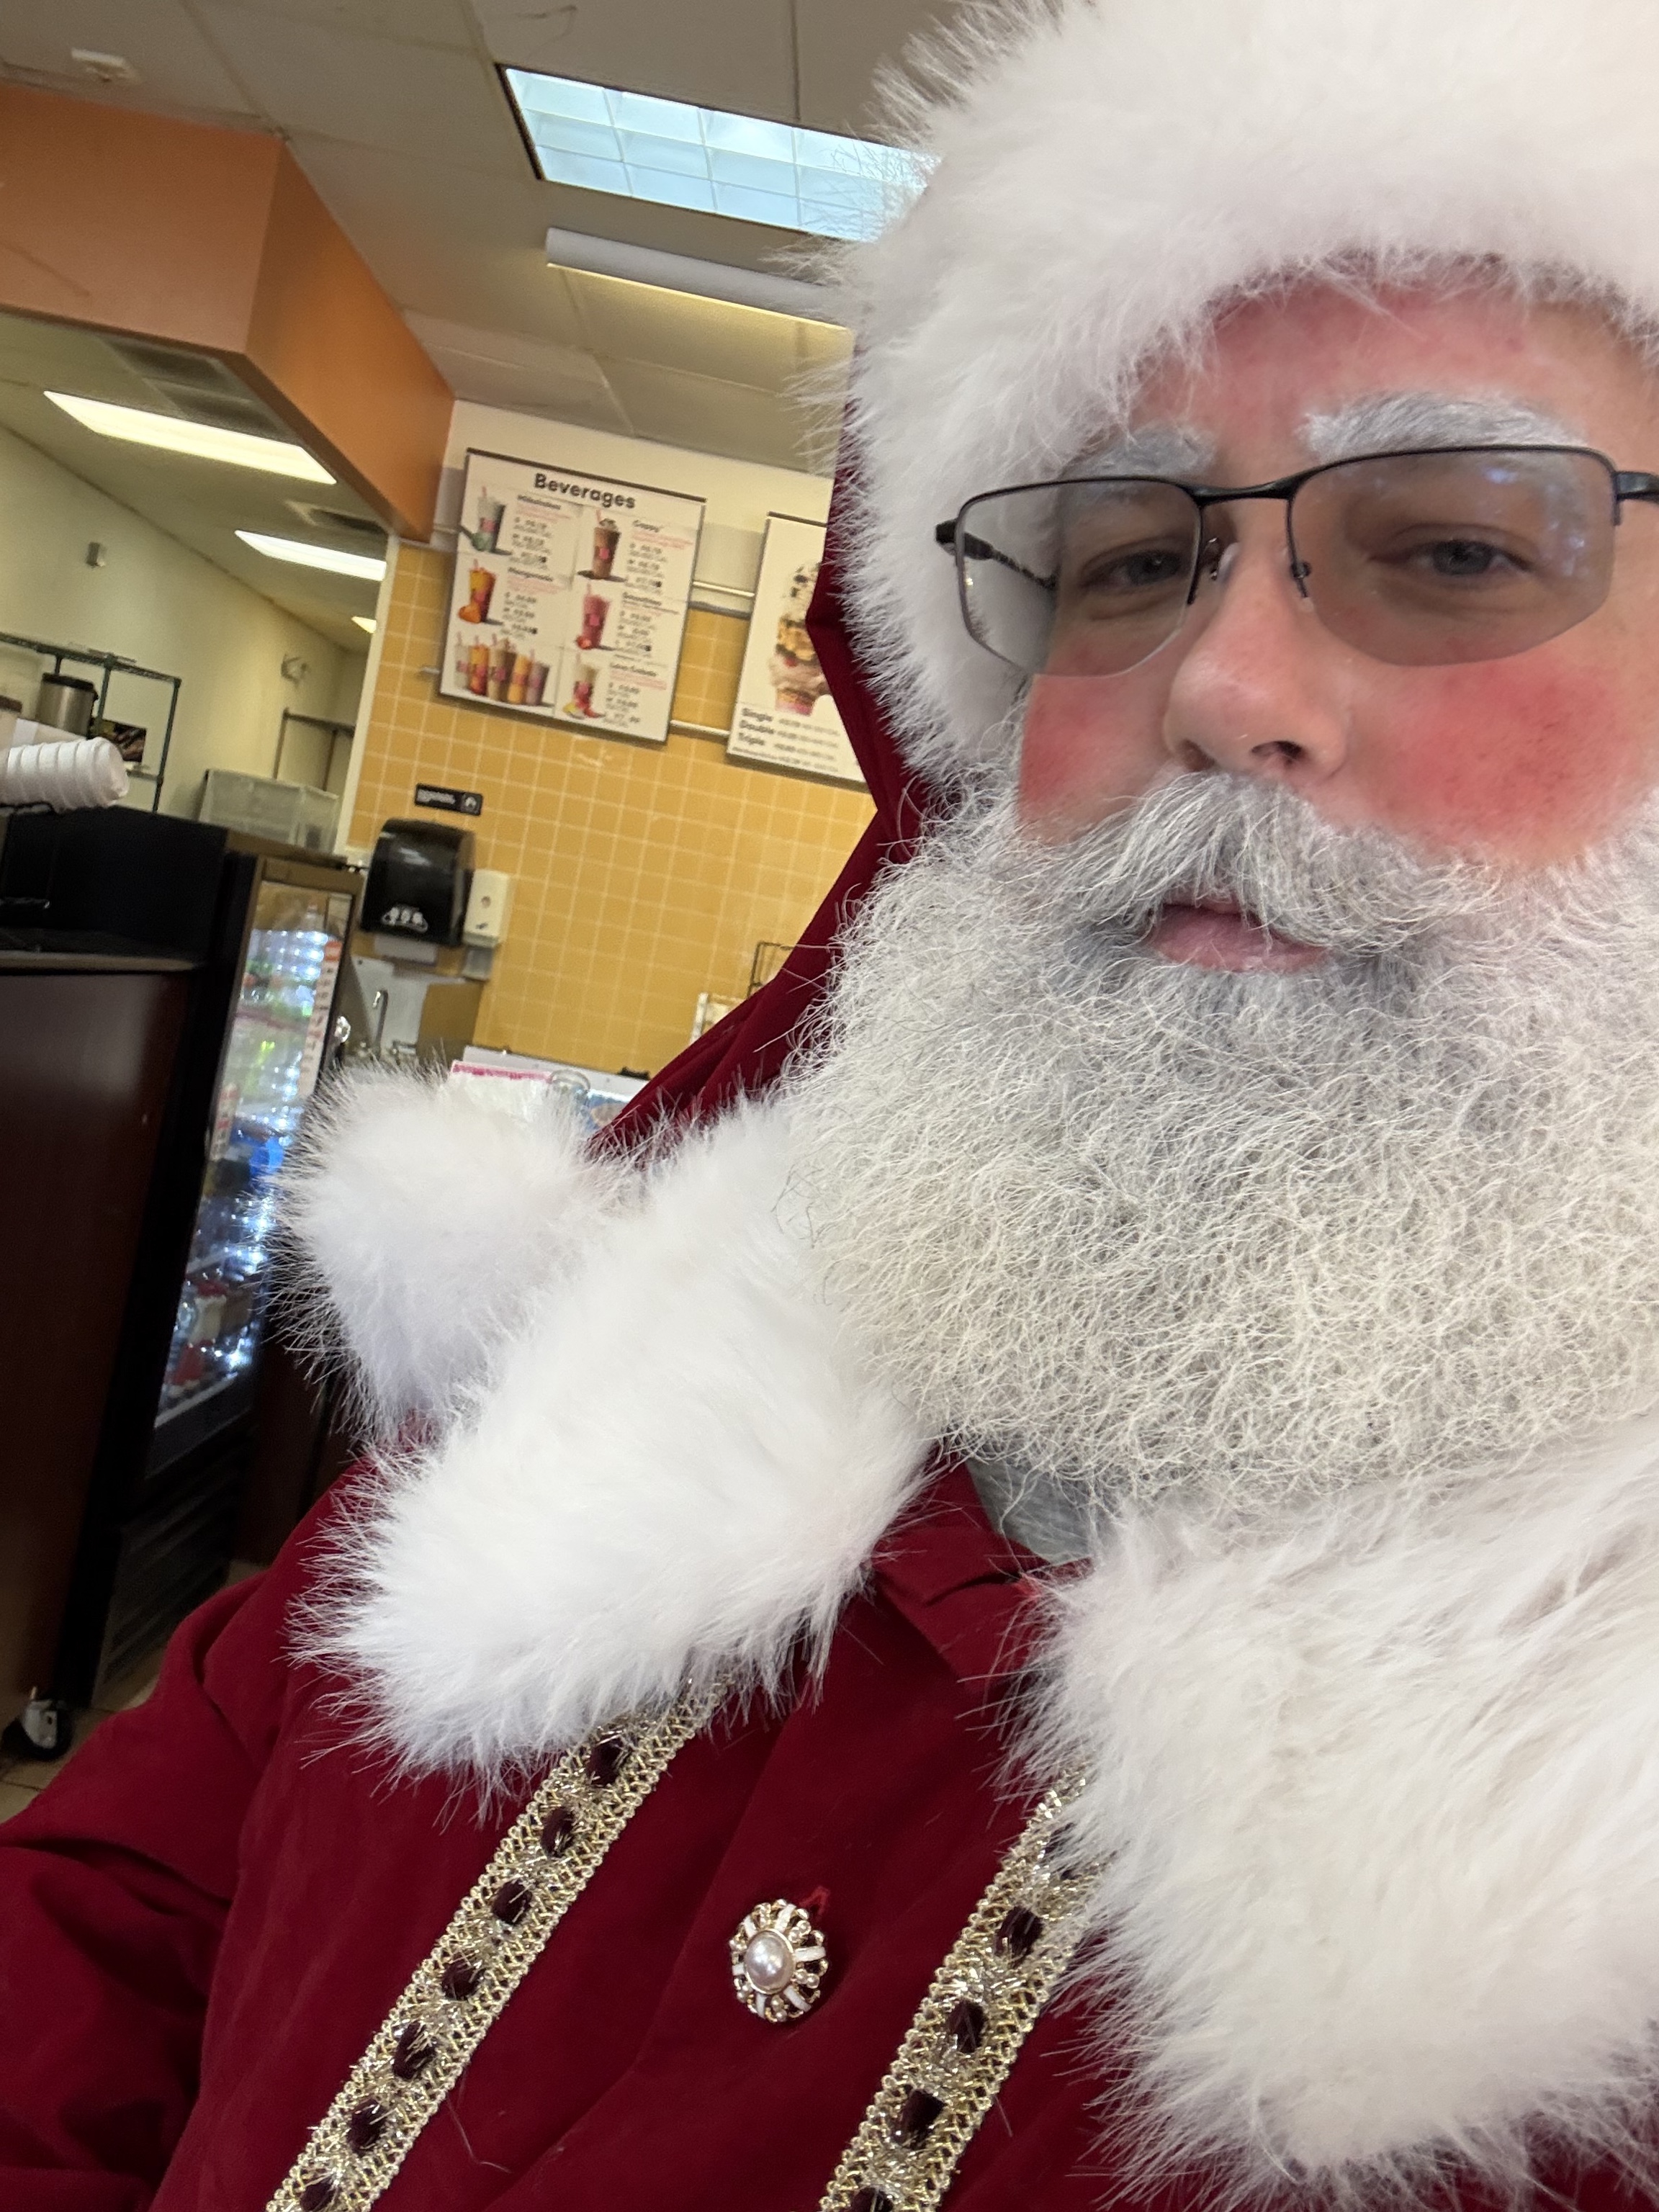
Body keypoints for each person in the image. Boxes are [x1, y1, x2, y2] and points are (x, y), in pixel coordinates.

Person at [12, 1, 1659, 2204]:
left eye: (1458, 545)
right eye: (1129, 555)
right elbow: (125, 1912)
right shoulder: (662, 1309)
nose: (1226, 683)